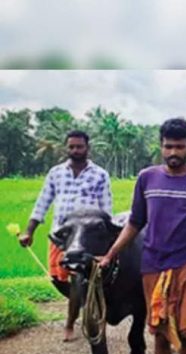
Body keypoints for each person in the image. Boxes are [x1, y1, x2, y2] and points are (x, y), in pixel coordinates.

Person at [99, 118, 186, 354]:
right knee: (161, 331)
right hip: (154, 264)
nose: (173, 152)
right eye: (168, 147)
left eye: (179, 147)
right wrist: (110, 254)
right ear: (161, 146)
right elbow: (134, 222)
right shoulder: (147, 178)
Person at [19, 130, 112, 343]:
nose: (75, 150)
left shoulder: (100, 174)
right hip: (62, 236)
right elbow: (42, 203)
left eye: (79, 147)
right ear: (66, 148)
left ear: (87, 148)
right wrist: (29, 232)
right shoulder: (56, 173)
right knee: (60, 279)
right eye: (71, 147)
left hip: (88, 238)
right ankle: (81, 309)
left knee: (82, 279)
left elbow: (106, 209)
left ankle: (73, 323)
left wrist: (108, 240)